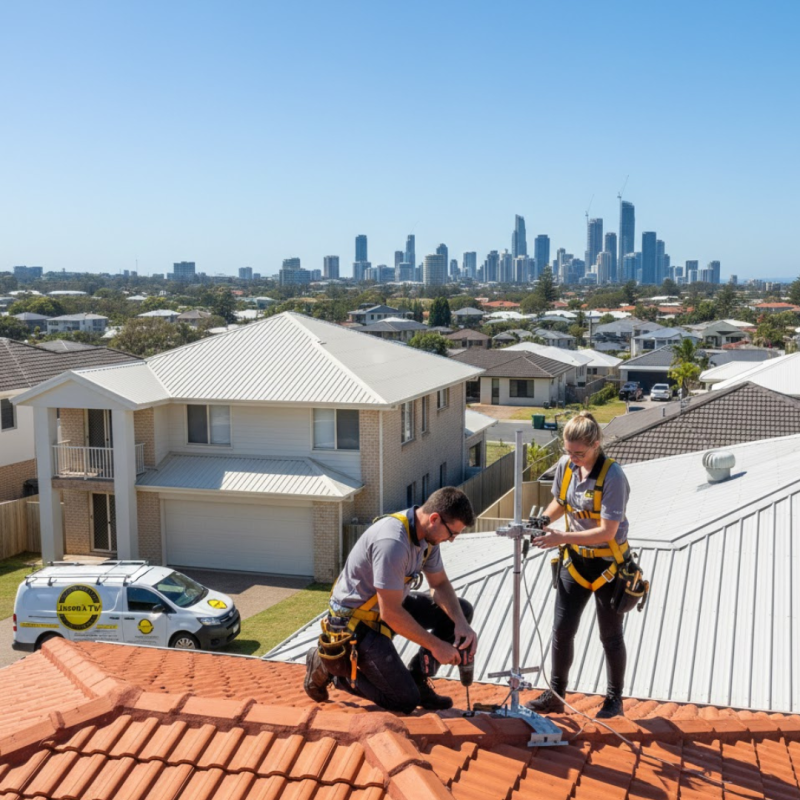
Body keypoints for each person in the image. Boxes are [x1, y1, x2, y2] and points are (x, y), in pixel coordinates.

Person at [304, 487, 477, 713]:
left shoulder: (428, 538)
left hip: (386, 606)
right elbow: (392, 614)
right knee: (403, 701)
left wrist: (461, 624)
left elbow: (440, 585)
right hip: (355, 622)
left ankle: (417, 679)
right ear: (435, 519)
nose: (452, 540)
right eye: (452, 533)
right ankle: (333, 670)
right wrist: (436, 646)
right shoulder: (393, 542)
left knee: (460, 611)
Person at [527, 411, 630, 719]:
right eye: (568, 451)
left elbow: (607, 531)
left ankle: (614, 700)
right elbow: (561, 501)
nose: (572, 458)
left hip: (607, 565)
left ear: (596, 444)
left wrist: (562, 537)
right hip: (575, 563)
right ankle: (556, 695)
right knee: (562, 631)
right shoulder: (567, 466)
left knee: (610, 635)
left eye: (579, 453)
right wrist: (544, 519)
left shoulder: (613, 477)